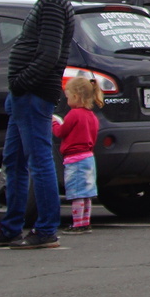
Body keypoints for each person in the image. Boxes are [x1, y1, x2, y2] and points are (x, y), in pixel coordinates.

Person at [0, 0, 74, 250]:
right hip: (24, 96)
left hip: (33, 96)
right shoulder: (46, 2)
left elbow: (49, 54)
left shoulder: (54, 4)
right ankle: (11, 227)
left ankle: (46, 229)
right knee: (14, 162)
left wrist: (20, 83)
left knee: (39, 162)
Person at [54, 75, 104, 234]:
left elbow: (61, 132)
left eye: (67, 96)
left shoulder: (74, 114)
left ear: (75, 96)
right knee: (87, 193)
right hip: (88, 157)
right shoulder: (92, 116)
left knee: (76, 193)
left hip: (74, 159)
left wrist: (54, 121)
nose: (66, 100)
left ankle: (77, 224)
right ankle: (85, 221)